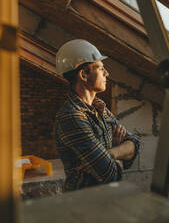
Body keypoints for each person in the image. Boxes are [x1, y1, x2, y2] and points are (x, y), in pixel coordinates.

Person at [54, 39, 140, 191]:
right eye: (100, 68)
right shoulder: (71, 117)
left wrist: (111, 153)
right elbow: (110, 174)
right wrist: (120, 152)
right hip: (84, 203)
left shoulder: (99, 107)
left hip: (102, 200)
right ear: (83, 75)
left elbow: (135, 144)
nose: (107, 73)